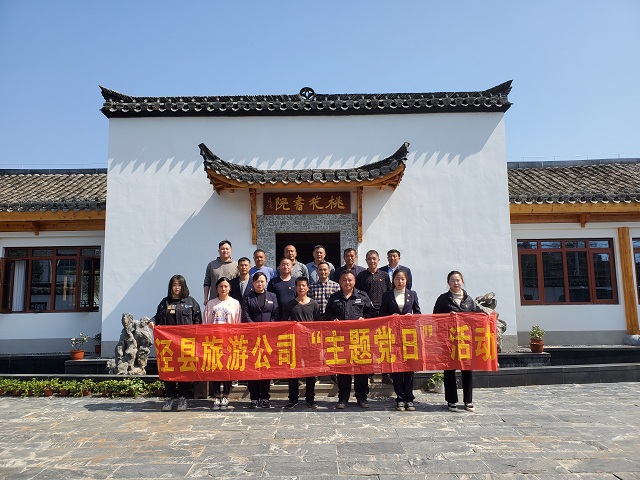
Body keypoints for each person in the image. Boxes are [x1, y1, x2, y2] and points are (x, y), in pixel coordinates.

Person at [433, 270, 484, 413]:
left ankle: (468, 400)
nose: (455, 283)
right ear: (448, 283)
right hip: (448, 341)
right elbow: (435, 318)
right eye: (452, 280)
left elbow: (477, 314)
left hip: (465, 341)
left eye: (458, 280)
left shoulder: (468, 299)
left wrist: (487, 314)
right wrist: (447, 317)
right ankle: (451, 400)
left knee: (467, 370)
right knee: (449, 370)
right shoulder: (443, 299)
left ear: (462, 281)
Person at [324, 271, 375, 409]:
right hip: (341, 340)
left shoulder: (362, 296)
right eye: (344, 280)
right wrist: (332, 319)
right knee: (343, 370)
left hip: (359, 338)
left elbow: (372, 312)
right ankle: (343, 398)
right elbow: (327, 314)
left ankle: (361, 397)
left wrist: (365, 319)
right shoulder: (334, 297)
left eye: (350, 280)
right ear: (340, 282)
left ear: (354, 281)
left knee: (361, 369)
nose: (347, 282)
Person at [151, 274, 202, 412]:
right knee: (169, 370)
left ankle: (183, 398)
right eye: (174, 285)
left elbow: (198, 322)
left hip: (186, 344)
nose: (177, 288)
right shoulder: (165, 302)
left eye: (179, 285)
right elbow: (157, 317)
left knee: (184, 370)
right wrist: (152, 322)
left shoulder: (191, 302)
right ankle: (169, 397)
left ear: (184, 286)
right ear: (170, 287)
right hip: (169, 345)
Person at [379, 269, 421, 411]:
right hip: (393, 335)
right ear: (393, 280)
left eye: (402, 279)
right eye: (397, 278)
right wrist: (391, 317)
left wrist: (412, 317)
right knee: (396, 367)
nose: (400, 281)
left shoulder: (412, 294)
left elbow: (418, 313)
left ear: (406, 280)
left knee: (409, 367)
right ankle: (400, 398)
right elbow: (381, 314)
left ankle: (409, 398)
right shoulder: (387, 295)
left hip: (409, 335)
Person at [281, 277, 322, 409]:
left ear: (308, 288)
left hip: (310, 343)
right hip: (295, 343)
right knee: (293, 372)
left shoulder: (314, 304)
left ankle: (310, 398)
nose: (301, 288)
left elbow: (318, 324)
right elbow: (284, 323)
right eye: (299, 285)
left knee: (311, 372)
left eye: (304, 285)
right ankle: (293, 398)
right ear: (295, 287)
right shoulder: (290, 304)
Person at [203, 276, 241, 411]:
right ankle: (216, 396)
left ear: (230, 288)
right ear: (216, 288)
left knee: (227, 369)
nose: (223, 289)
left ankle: (225, 395)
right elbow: (206, 322)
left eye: (226, 286)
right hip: (214, 341)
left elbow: (237, 322)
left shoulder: (235, 303)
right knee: (215, 369)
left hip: (229, 341)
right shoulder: (211, 304)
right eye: (221, 286)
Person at [242, 272, 279, 408]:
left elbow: (275, 313)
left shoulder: (272, 296)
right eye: (257, 281)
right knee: (252, 366)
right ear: (253, 283)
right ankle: (254, 397)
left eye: (262, 281)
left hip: (267, 337)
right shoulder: (248, 297)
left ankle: (265, 397)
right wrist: (254, 327)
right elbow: (245, 314)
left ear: (266, 282)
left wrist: (268, 327)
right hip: (252, 336)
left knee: (265, 366)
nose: (260, 284)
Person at [355, 250, 391, 317]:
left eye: (374, 259)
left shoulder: (384, 275)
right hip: (367, 310)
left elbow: (389, 291)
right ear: (366, 261)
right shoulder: (361, 276)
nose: (372, 261)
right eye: (369, 259)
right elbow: (358, 293)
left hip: (383, 309)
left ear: (378, 260)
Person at [203, 240, 238, 304]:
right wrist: (205, 298)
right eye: (222, 249)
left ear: (231, 250)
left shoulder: (236, 265)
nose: (225, 251)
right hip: (214, 300)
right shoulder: (211, 265)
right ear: (218, 251)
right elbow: (207, 283)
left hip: (231, 301)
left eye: (227, 249)